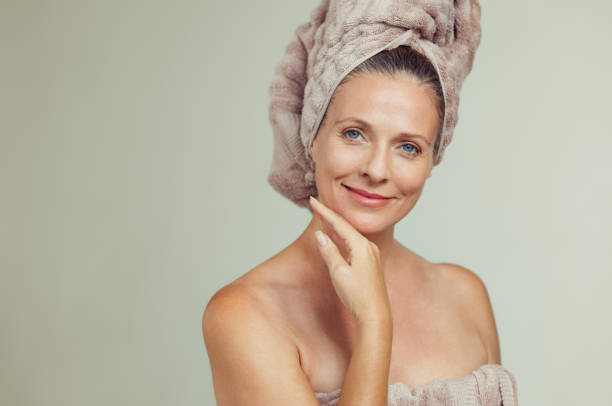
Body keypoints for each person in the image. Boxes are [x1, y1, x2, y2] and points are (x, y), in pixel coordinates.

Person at [202, 1, 518, 405]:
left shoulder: (465, 294)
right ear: (313, 136)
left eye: (408, 147)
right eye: (355, 134)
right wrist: (374, 324)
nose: (376, 169)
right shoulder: (245, 314)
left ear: (431, 161)